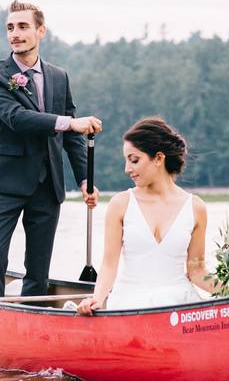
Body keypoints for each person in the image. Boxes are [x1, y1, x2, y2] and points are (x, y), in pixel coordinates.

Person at [0, 0, 102, 298]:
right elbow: (16, 118)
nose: (15, 34)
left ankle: (32, 317)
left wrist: (85, 179)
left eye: (22, 27)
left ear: (40, 30)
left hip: (48, 186)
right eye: (10, 28)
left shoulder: (59, 76)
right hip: (7, 184)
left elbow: (72, 138)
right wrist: (68, 123)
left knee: (38, 266)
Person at [77, 117, 214, 314]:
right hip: (129, 303)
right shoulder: (120, 204)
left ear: (159, 158)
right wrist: (96, 299)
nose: (127, 169)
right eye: (126, 161)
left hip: (179, 305)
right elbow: (109, 265)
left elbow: (197, 272)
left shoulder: (195, 207)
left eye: (134, 160)